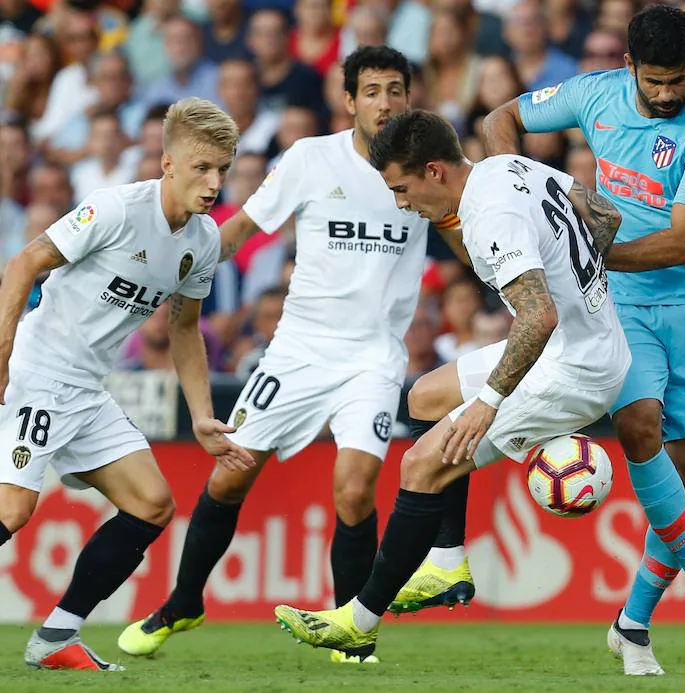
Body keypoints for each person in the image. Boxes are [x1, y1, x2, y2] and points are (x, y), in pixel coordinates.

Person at [117, 46, 468, 665]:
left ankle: (351, 633)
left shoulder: (426, 170)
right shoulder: (311, 159)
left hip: (372, 359)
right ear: (349, 101)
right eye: (371, 91)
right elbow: (243, 229)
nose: (384, 102)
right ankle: (184, 601)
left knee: (355, 490)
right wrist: (175, 271)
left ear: (409, 99)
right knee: (230, 473)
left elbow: (466, 242)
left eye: (395, 90)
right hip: (297, 350)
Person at [272, 109, 634, 661]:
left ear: (435, 171)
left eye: (402, 188)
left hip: (573, 369)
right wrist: (583, 276)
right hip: (579, 347)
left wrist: (486, 405)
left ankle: (360, 620)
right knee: (427, 396)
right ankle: (446, 563)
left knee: (421, 464)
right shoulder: (507, 167)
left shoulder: (490, 213)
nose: (400, 203)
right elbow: (600, 212)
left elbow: (538, 318)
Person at [480, 3, 685, 675]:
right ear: (629, 66)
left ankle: (632, 622)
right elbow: (499, 119)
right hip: (621, 307)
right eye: (653, 81)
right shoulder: (591, 92)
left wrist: (592, 252)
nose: (664, 95)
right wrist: (523, 192)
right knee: (637, 423)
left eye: (677, 81)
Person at [0, 97, 251, 671]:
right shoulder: (116, 209)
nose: (213, 183)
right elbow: (23, 264)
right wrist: (2, 351)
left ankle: (56, 638)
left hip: (87, 391)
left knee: (152, 505)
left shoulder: (204, 241)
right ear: (167, 163)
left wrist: (201, 416)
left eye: (222, 170)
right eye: (202, 168)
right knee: (13, 510)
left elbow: (185, 329)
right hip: (37, 374)